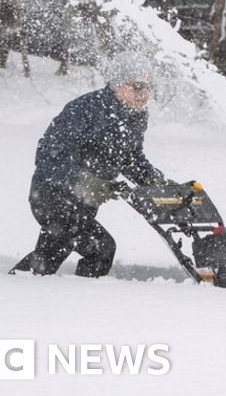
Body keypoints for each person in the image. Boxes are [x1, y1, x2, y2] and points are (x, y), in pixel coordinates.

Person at [11, 51, 170, 278]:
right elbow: (48, 155)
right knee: (100, 249)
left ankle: (23, 289)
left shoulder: (136, 116)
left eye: (148, 87)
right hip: (53, 197)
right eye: (137, 86)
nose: (144, 94)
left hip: (83, 205)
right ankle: (84, 302)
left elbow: (129, 157)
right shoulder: (86, 110)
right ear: (117, 85)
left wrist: (151, 179)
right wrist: (84, 181)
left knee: (50, 254)